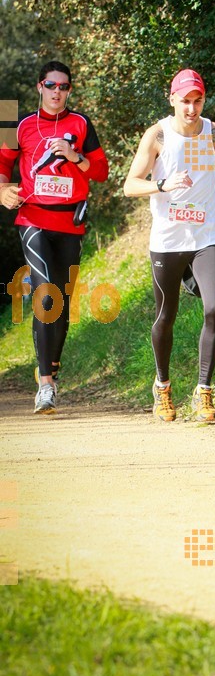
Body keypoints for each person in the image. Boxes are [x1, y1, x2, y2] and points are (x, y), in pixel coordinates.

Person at [124, 68, 215, 423]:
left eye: (197, 100)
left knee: (214, 307)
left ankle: (204, 392)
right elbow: (130, 185)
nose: (191, 108)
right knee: (165, 316)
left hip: (206, 235)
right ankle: (163, 386)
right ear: (172, 99)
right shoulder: (157, 135)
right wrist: (162, 185)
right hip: (168, 240)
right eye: (185, 101)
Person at [0, 61, 109, 413]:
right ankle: (45, 385)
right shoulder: (18, 122)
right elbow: (1, 164)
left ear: (69, 91)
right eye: (51, 85)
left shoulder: (81, 124)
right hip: (32, 219)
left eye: (64, 86)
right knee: (46, 292)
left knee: (59, 301)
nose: (57, 91)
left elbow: (103, 172)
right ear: (39, 87)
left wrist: (75, 157)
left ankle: (50, 370)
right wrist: (2, 190)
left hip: (70, 224)